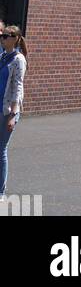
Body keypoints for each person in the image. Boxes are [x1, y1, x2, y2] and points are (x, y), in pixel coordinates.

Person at [0, 25, 27, 203]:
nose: (3, 38)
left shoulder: (18, 59)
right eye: (2, 35)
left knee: (1, 150)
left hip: (7, 110)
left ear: (15, 38)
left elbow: (18, 86)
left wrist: (13, 114)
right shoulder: (2, 56)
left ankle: (1, 192)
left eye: (6, 36)